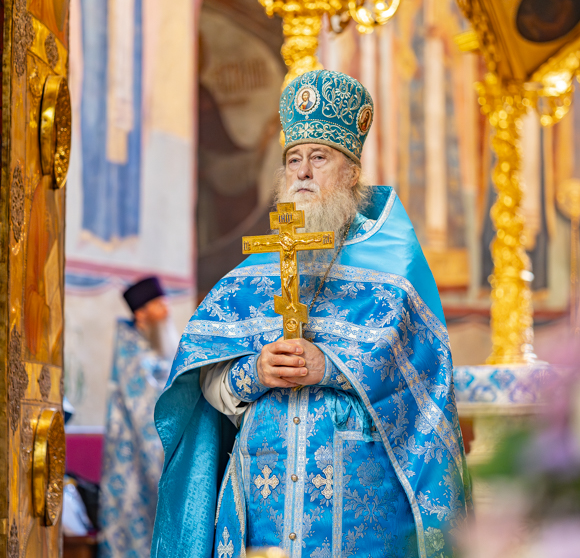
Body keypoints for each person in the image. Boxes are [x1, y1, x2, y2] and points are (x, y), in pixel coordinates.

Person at [152, 70, 472, 558]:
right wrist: (253, 373)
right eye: (293, 159)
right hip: (259, 509)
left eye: (319, 157)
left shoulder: (393, 269)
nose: (302, 172)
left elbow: (423, 387)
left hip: (364, 515)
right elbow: (204, 380)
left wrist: (332, 367)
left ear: (351, 173)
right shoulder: (253, 271)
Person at [99, 277, 179, 558]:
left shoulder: (153, 348)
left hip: (154, 455)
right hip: (134, 461)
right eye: (158, 304)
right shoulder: (132, 356)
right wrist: (169, 468)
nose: (167, 310)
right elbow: (145, 416)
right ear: (141, 314)